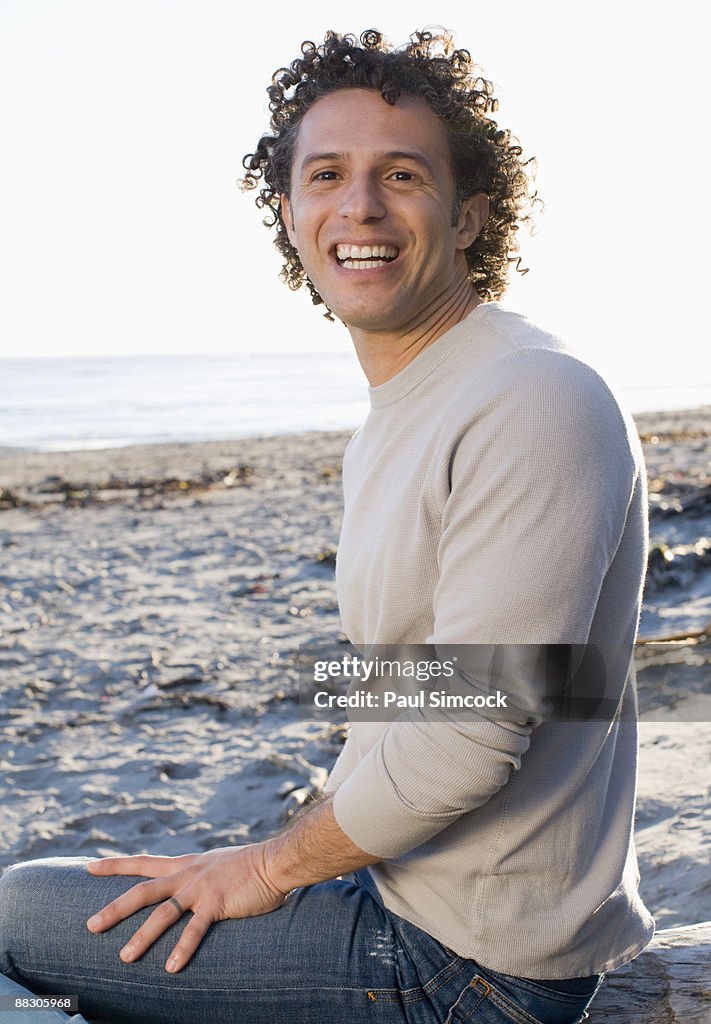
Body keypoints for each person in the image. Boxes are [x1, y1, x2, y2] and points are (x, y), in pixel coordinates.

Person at [0, 28, 654, 1024]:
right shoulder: (411, 406)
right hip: (402, 892)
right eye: (327, 176)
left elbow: (472, 736)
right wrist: (279, 851)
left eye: (402, 174)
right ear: (291, 214)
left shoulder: (532, 397)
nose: (360, 207)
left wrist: (269, 865)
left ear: (472, 212)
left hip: (465, 971)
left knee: (14, 910)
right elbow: (424, 686)